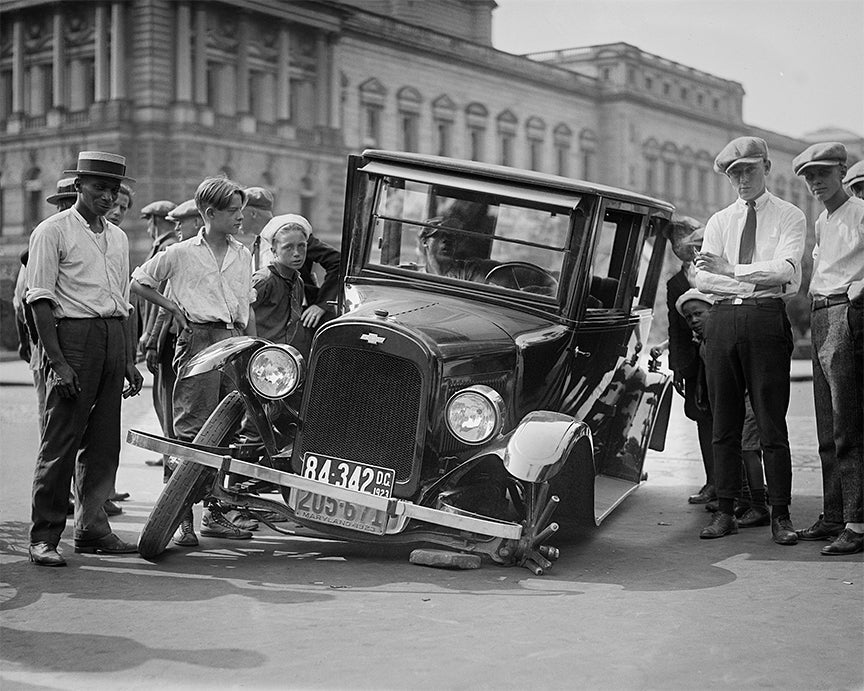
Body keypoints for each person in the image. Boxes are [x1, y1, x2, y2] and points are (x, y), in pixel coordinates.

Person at [25, 151, 144, 566]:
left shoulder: (118, 237)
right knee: (61, 441)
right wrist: (57, 362)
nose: (108, 197)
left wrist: (128, 358)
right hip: (73, 337)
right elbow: (39, 300)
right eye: (99, 188)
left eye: (113, 190)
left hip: (112, 338)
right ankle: (44, 536)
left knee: (104, 443)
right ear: (78, 186)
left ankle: (93, 527)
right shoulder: (52, 231)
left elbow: (123, 303)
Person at [131, 176, 257, 545]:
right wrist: (174, 310)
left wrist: (252, 345)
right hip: (199, 341)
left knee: (229, 430)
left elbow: (245, 304)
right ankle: (181, 518)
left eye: (242, 210)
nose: (240, 218)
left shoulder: (243, 253)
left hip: (235, 341)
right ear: (210, 213)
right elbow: (139, 281)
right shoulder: (181, 252)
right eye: (233, 211)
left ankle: (214, 514)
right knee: (190, 433)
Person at [694, 136, 806, 545]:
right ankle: (726, 510)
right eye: (734, 173)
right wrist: (738, 272)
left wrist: (732, 268)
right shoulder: (720, 220)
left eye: (749, 170)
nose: (742, 179)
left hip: (765, 318)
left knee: (771, 422)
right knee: (724, 422)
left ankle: (780, 514)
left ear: (766, 168)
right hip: (723, 318)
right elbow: (702, 277)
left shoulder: (790, 216)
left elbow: (785, 270)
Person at [793, 142, 864, 555]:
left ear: (841, 170)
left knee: (847, 424)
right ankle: (835, 514)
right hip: (821, 313)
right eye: (809, 177)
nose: (816, 182)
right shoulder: (822, 221)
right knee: (826, 426)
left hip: (844, 312)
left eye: (822, 173)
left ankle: (856, 521)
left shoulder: (860, 211)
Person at [674, 289, 770, 528]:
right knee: (735, 449)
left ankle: (759, 506)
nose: (693, 320)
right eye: (688, 317)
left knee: (749, 450)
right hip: (732, 402)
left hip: (748, 401)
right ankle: (744, 498)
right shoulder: (705, 341)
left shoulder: (726, 336)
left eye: (698, 313)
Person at [659, 216, 716, 505]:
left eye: (683, 235)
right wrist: (678, 367)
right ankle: (712, 482)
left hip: (719, 355)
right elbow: (674, 327)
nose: (678, 244)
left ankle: (744, 484)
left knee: (732, 420)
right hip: (693, 364)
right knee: (703, 419)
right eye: (673, 239)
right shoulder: (675, 283)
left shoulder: (715, 270)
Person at [257, 208, 342, 332]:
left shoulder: (293, 234)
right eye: (288, 247)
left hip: (303, 319)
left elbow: (337, 261)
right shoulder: (262, 278)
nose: (296, 253)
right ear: (274, 250)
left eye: (301, 246)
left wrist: (322, 304)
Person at [419, 217, 498, 282]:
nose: (446, 240)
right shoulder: (415, 276)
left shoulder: (469, 271)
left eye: (451, 236)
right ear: (425, 241)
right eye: (439, 234)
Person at [241, 186, 275, 270]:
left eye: (240, 211)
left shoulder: (281, 239)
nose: (237, 217)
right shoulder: (257, 243)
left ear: (253, 213)